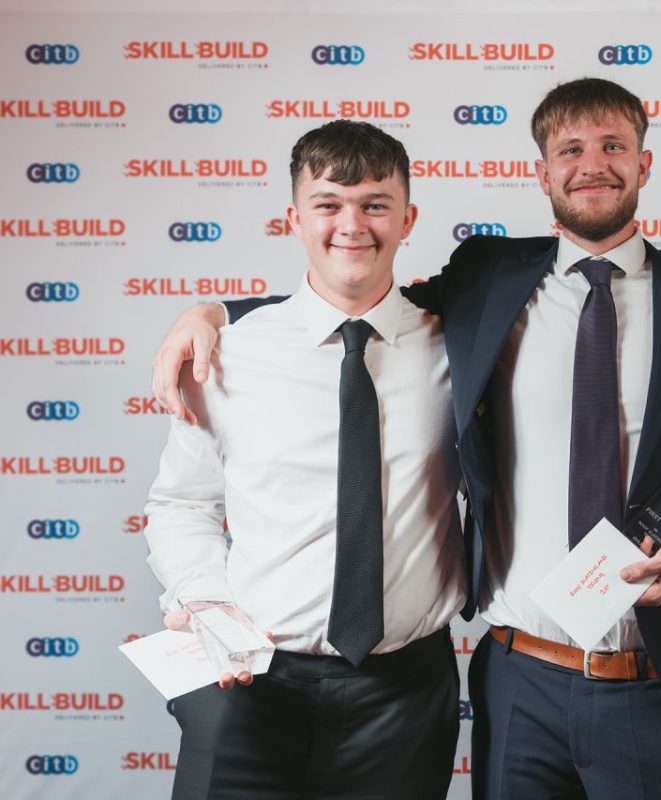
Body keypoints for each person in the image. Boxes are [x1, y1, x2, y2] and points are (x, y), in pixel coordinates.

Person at [150, 77, 661, 799]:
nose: (593, 164)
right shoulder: (486, 281)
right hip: (505, 680)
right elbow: (346, 297)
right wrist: (212, 311)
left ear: (643, 164)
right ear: (543, 172)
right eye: (570, 149)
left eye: (613, 146)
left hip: (639, 676)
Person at [143, 120, 464, 799]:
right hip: (248, 687)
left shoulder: (460, 349)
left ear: (407, 219)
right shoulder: (227, 351)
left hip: (403, 698)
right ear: (294, 218)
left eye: (375, 204)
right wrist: (207, 603)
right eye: (329, 204)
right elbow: (181, 505)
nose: (352, 225)